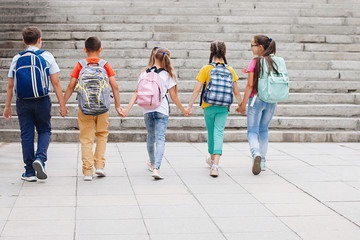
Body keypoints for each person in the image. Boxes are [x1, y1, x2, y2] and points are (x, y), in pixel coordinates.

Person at [2, 26, 68, 182]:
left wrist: (7, 106)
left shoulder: (17, 58)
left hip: (23, 101)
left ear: (23, 41)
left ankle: (29, 171)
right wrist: (62, 104)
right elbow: (56, 82)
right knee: (44, 130)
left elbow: (11, 85)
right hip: (42, 99)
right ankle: (40, 158)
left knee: (26, 134)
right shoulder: (47, 56)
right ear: (40, 39)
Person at [123, 47, 190, 180]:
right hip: (162, 109)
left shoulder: (144, 73)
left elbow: (136, 93)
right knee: (160, 139)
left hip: (147, 109)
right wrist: (184, 110)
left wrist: (126, 110)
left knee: (150, 137)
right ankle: (156, 168)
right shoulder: (167, 74)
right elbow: (174, 97)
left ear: (154, 56)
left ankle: (152, 162)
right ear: (166, 58)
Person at [63, 36, 123, 181]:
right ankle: (100, 166)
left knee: (86, 138)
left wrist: (63, 103)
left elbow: (71, 85)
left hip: (84, 107)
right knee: (102, 135)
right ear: (100, 49)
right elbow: (114, 86)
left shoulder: (80, 65)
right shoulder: (105, 65)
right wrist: (117, 105)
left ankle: (87, 171)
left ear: (85, 50)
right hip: (103, 107)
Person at [187, 41, 242, 177]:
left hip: (209, 105)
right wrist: (241, 105)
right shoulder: (230, 70)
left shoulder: (206, 69)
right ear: (225, 52)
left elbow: (197, 89)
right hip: (224, 106)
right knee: (219, 133)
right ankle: (215, 165)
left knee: (211, 133)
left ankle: (212, 160)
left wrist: (189, 105)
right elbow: (236, 92)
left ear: (211, 52)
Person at [236, 35, 279, 175]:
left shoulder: (255, 62)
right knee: (264, 130)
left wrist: (242, 104)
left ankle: (256, 154)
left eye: (252, 45)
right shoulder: (275, 61)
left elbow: (249, 85)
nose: (251, 48)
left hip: (257, 100)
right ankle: (263, 161)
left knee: (252, 131)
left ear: (260, 47)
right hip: (271, 100)